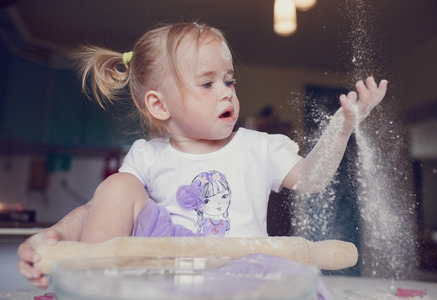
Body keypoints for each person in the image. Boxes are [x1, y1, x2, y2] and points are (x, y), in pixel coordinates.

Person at [17, 22, 388, 289]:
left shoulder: (258, 147)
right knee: (117, 187)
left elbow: (312, 177)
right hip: (167, 274)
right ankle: (92, 283)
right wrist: (56, 235)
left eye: (229, 80)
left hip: (242, 272)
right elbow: (95, 210)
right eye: (207, 83)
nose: (226, 92)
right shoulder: (147, 156)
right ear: (159, 106)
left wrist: (342, 126)